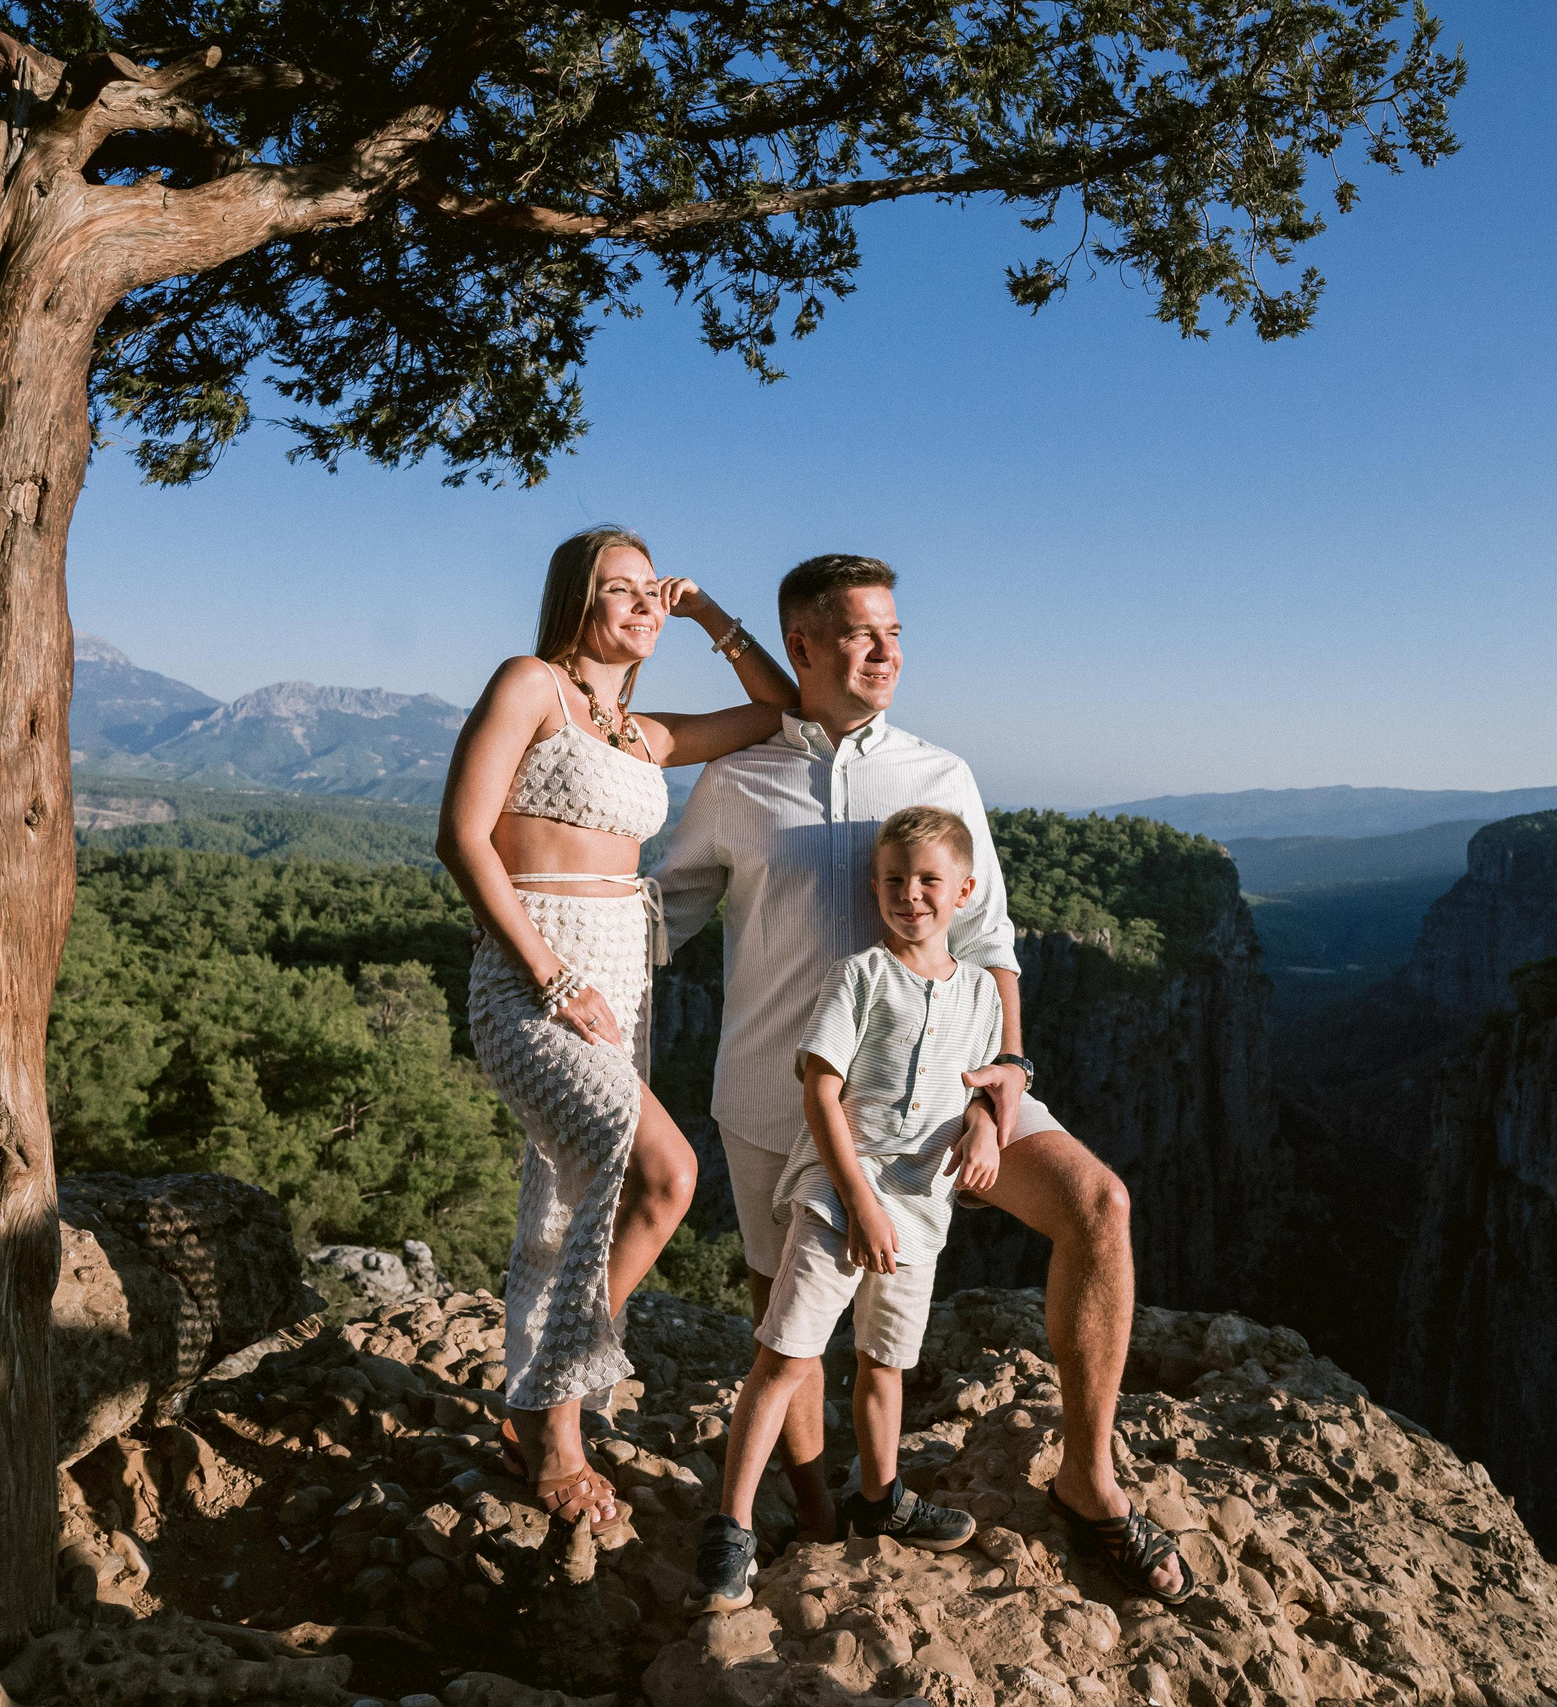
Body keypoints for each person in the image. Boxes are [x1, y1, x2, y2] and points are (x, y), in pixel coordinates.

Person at [653, 554, 1193, 1602]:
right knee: (791, 1334)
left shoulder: (942, 775)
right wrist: (538, 940)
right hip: (781, 1101)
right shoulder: (737, 780)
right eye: (861, 632)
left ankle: (1088, 1482)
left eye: (894, 632)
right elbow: (663, 917)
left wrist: (1003, 1087)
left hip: (952, 1086)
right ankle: (820, 1520)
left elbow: (991, 943)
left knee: (1100, 1205)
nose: (887, 651)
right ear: (802, 645)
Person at [438, 526, 797, 1535]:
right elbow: (460, 837)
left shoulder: (644, 735)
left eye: (653, 591)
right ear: (577, 599)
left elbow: (785, 711)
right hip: (531, 980)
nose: (645, 606)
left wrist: (709, 611)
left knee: (571, 1199)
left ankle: (541, 1388)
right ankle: (549, 1411)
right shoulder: (530, 686)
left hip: (619, 987)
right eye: (621, 589)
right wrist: (550, 976)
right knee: (663, 1173)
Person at [689, 806, 999, 1612]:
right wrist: (858, 1199)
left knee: (884, 1363)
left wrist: (984, 1125)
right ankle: (732, 1526)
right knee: (786, 1356)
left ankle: (881, 1497)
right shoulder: (859, 976)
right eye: (894, 880)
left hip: (921, 1211)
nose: (910, 894)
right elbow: (820, 1091)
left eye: (928, 880)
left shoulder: (980, 995)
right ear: (874, 887)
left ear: (965, 890)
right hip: (838, 1199)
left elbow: (981, 1086)